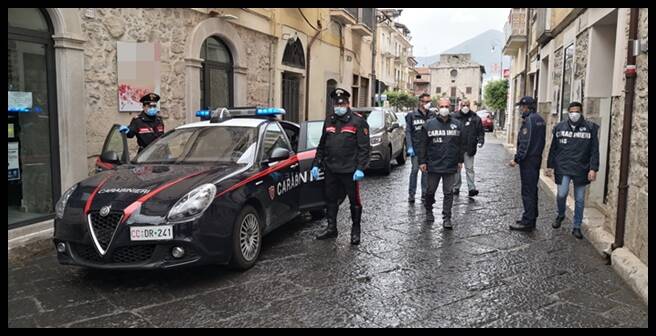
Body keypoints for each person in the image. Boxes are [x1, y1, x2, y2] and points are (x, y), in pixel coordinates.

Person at [311, 88, 370, 245]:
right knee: (330, 199)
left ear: (348, 103)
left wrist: (360, 168)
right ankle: (332, 229)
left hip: (350, 171)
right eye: (336, 104)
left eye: (342, 103)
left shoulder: (358, 121)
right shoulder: (329, 120)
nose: (339, 106)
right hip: (331, 169)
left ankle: (355, 231)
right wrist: (316, 164)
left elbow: (364, 148)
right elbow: (322, 145)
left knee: (354, 202)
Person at [547, 101, 600, 239]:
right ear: (568, 112)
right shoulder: (559, 127)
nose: (574, 114)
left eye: (577, 111)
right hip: (563, 167)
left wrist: (593, 168)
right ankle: (560, 214)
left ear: (581, 112)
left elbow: (594, 150)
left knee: (580, 199)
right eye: (572, 111)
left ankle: (577, 226)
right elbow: (554, 148)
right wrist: (550, 166)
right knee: (562, 194)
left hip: (582, 168)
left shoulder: (590, 128)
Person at [417, 97, 464, 229]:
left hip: (450, 164)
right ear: (437, 108)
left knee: (448, 192)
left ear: (451, 108)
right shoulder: (429, 124)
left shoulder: (457, 124)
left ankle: (447, 217)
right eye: (442, 106)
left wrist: (460, 160)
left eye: (447, 106)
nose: (444, 109)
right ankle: (428, 210)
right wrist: (422, 161)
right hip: (433, 164)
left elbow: (461, 144)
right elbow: (423, 145)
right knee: (430, 191)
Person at [509, 96, 546, 231]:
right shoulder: (540, 119)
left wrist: (517, 159)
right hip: (536, 159)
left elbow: (525, 142)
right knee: (532, 190)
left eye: (521, 107)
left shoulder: (529, 120)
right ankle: (531, 217)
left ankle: (528, 221)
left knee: (527, 191)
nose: (520, 109)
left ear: (526, 107)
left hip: (528, 161)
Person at [404, 93, 434, 203]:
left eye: (429, 101)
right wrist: (409, 147)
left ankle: (424, 194)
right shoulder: (411, 115)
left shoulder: (432, 115)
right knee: (415, 170)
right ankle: (411, 194)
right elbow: (408, 132)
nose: (428, 104)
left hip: (428, 150)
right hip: (416, 148)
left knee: (425, 172)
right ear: (420, 102)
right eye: (426, 102)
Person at [452, 99, 485, 197]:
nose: (465, 106)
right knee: (457, 169)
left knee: (469, 168)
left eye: (467, 105)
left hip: (469, 148)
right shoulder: (454, 117)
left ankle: (471, 188)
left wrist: (480, 141)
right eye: (463, 105)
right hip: (457, 148)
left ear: (469, 106)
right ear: (460, 106)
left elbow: (480, 131)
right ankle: (455, 187)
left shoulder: (475, 118)